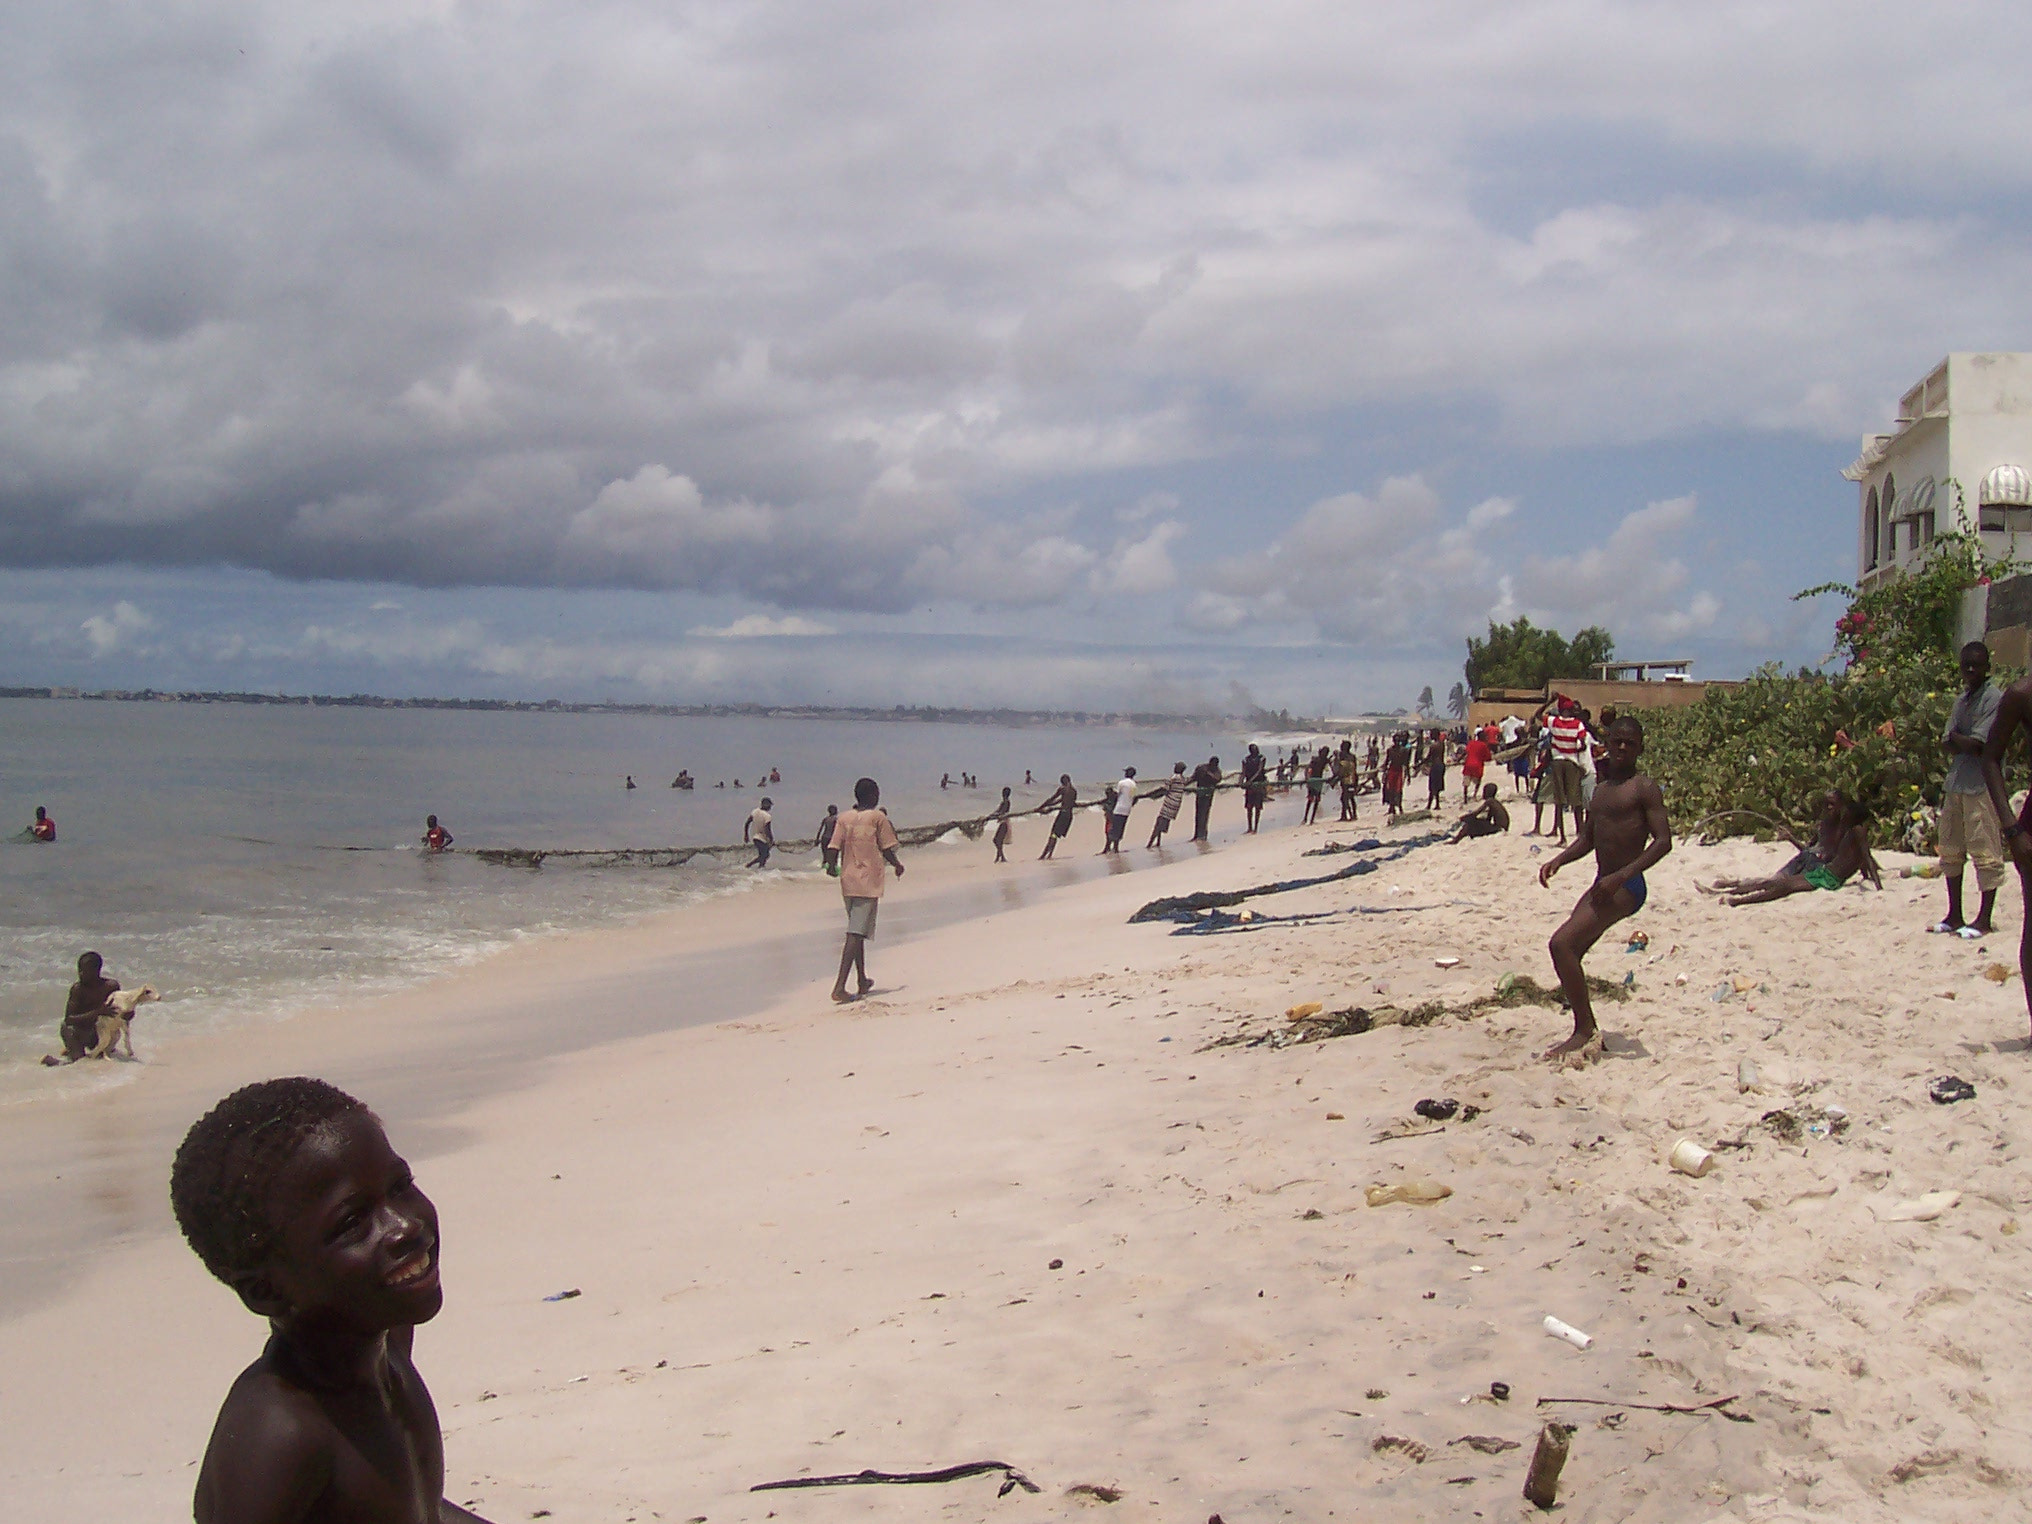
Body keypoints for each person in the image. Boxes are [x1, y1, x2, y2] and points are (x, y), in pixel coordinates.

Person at [169, 1078, 494, 1524]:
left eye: (400, 1186)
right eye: (352, 1221)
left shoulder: (384, 1339)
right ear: (266, 1291)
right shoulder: (279, 1436)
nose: (403, 1227)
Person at [1536, 716, 1672, 1067]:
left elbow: (1663, 842)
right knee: (1568, 950)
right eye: (1617, 742)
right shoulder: (1600, 788)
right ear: (1606, 743)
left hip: (1626, 885)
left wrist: (1622, 875)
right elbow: (1588, 839)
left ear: (1640, 747)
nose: (1622, 748)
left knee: (1561, 943)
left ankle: (1584, 1030)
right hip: (1605, 882)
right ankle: (1585, 1025)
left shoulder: (1644, 788)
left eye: (1629, 743)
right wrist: (1560, 860)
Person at [1932, 641, 2005, 936]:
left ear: (1988, 666)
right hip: (1957, 781)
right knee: (1950, 849)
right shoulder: (1962, 700)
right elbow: (1948, 740)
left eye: (1976, 665)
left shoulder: (1994, 699)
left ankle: (1984, 919)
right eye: (1966, 665)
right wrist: (1961, 740)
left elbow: (1979, 745)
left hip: (1982, 785)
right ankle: (1955, 915)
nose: (1971, 670)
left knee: (1985, 851)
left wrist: (1959, 739)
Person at [1704, 791, 1881, 904]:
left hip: (1823, 872)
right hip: (1816, 866)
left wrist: (1877, 885)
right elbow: (1861, 859)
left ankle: (1737, 900)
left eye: (1833, 804)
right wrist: (1790, 839)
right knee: (1775, 882)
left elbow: (1866, 859)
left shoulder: (1852, 831)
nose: (1829, 808)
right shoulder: (1829, 825)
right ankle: (1733, 891)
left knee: (1781, 885)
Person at [831, 777, 903, 1002]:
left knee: (858, 930)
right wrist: (898, 865)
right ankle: (839, 988)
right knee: (855, 933)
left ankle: (862, 979)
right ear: (873, 795)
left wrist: (831, 866)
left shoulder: (844, 818)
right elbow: (887, 847)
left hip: (848, 881)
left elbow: (833, 847)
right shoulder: (877, 817)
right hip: (867, 881)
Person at [42, 951, 120, 1065]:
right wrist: (97, 1012)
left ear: (96, 970)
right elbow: (69, 1019)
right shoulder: (78, 989)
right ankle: (55, 1061)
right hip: (79, 1032)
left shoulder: (111, 986)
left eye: (85, 970)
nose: (80, 973)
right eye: (79, 969)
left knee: (102, 1059)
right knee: (79, 1063)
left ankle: (72, 1051)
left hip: (99, 1033)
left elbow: (119, 1011)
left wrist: (128, 1015)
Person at [1148, 763, 1188, 848]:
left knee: (1159, 822)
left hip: (1169, 802)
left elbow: (1165, 790)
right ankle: (1158, 842)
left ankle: (1149, 844)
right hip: (1177, 803)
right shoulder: (1183, 779)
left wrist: (1151, 795)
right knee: (1163, 821)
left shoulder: (1172, 778)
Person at [1039, 775, 1077, 860]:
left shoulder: (1062, 789)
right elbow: (1067, 802)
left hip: (1062, 814)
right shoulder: (1074, 791)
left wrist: (1041, 807)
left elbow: (1052, 799)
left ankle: (1044, 855)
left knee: (1053, 834)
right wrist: (1049, 806)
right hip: (1069, 816)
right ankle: (1049, 854)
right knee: (1055, 835)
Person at [1102, 767, 1138, 853]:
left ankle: (1108, 848)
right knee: (1120, 829)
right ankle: (1116, 848)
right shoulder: (1134, 785)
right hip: (1127, 810)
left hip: (1119, 808)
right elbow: (1133, 797)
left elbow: (1117, 795)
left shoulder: (1121, 783)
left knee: (1113, 829)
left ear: (1126, 774)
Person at [1191, 756, 1221, 840]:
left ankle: (1203, 835)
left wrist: (1208, 773)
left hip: (1208, 795)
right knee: (1198, 814)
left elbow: (1217, 779)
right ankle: (1196, 835)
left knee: (1204, 813)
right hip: (1200, 793)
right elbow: (1193, 778)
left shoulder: (1216, 771)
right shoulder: (1201, 768)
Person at [1242, 744, 1269, 832]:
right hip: (1249, 786)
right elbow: (1243, 772)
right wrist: (1241, 781)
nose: (1256, 750)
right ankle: (1250, 827)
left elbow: (1259, 770)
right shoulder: (1246, 759)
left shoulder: (1261, 758)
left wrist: (1250, 780)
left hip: (1258, 784)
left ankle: (1256, 828)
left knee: (1257, 807)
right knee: (1249, 807)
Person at [1462, 729, 1492, 803]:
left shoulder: (1471, 743)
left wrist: (1458, 760)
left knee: (1466, 783)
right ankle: (1474, 795)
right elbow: (1488, 757)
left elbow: (1465, 752)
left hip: (1468, 765)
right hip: (1477, 766)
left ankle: (1465, 798)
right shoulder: (1484, 745)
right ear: (1482, 737)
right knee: (1478, 780)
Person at [745, 797, 775, 867]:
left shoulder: (755, 811)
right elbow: (768, 830)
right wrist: (771, 839)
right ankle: (749, 865)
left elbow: (747, 823)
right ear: (766, 804)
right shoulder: (767, 816)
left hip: (755, 838)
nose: (770, 807)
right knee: (765, 855)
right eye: (770, 805)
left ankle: (760, 869)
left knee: (763, 855)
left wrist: (746, 835)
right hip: (762, 839)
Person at [1302, 746, 1328, 825]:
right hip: (1316, 780)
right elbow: (1308, 769)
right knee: (1314, 800)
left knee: (1312, 800)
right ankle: (1308, 819)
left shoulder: (1317, 760)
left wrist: (1307, 778)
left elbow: (1308, 769)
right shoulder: (1323, 760)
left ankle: (1307, 818)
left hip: (1314, 780)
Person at [1337, 740, 1359, 822]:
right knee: (1351, 797)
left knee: (1344, 798)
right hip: (1353, 779)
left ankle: (1345, 815)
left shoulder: (1343, 756)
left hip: (1345, 779)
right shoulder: (1352, 756)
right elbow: (1354, 769)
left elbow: (1341, 769)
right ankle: (1353, 814)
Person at [816, 804, 841, 875]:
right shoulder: (836, 819)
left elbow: (820, 830)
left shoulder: (826, 819)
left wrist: (817, 839)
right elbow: (838, 830)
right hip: (832, 839)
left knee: (825, 856)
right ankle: (832, 871)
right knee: (834, 855)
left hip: (824, 838)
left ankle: (823, 872)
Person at [992, 787, 1013, 863]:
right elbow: (998, 811)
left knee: (996, 840)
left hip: (1004, 822)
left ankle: (1002, 857)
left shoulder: (1006, 802)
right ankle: (999, 857)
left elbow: (1002, 811)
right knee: (998, 840)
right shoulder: (1005, 802)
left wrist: (995, 815)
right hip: (1003, 822)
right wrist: (992, 815)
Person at [1425, 735, 1446, 809]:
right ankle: (1437, 804)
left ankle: (1429, 805)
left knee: (1432, 786)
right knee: (1438, 786)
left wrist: (1420, 763)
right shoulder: (1442, 744)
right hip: (1441, 765)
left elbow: (1429, 757)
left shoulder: (1433, 746)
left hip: (1435, 766)